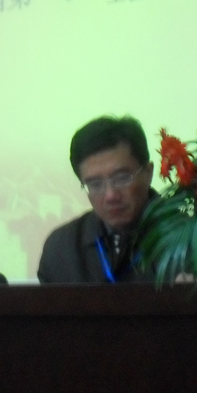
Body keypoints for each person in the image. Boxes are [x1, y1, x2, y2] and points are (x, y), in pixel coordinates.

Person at [37, 115, 156, 283]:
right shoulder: (61, 248)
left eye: (122, 178)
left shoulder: (188, 238)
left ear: (148, 173)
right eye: (95, 184)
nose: (111, 195)